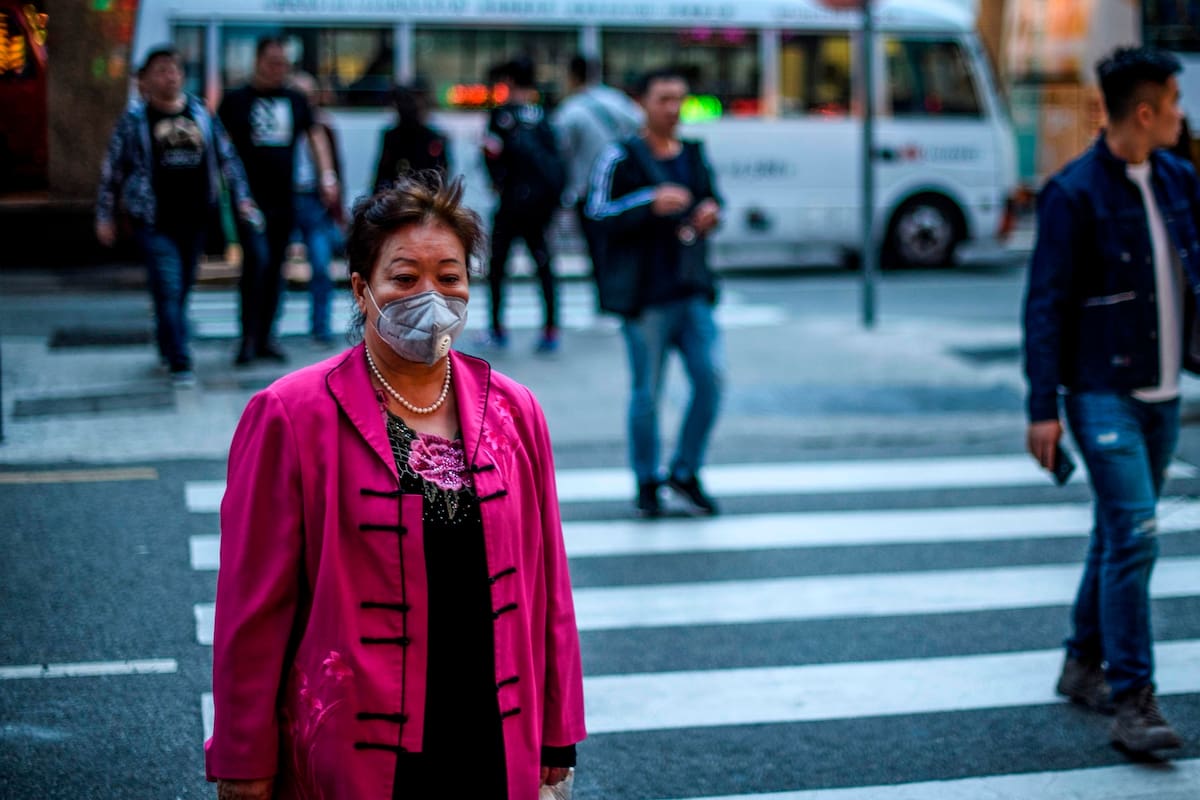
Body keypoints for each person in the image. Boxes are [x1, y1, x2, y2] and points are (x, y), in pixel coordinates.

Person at [205, 173, 586, 800]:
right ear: (362, 290)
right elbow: (254, 607)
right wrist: (244, 758)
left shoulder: (514, 411)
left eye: (450, 276)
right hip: (355, 747)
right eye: (405, 278)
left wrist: (557, 730)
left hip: (492, 735)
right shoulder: (291, 415)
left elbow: (548, 586)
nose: (431, 296)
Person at [1024, 46, 1200, 754]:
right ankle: (1133, 700)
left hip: (1164, 394)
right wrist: (1042, 408)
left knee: (1117, 532)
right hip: (1102, 393)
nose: (1184, 115)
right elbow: (1045, 306)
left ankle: (1080, 662)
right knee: (1136, 536)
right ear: (1147, 112)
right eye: (1176, 103)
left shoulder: (1180, 180)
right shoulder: (1073, 193)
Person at [585, 67, 723, 518]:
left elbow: (712, 199)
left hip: (692, 287)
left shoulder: (694, 153)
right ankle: (647, 480)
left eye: (680, 98)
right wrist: (649, 203)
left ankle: (685, 471)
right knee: (647, 393)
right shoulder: (621, 156)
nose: (673, 108)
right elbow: (595, 213)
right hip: (646, 296)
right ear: (642, 103)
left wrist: (710, 213)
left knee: (711, 381)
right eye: (664, 98)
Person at [96, 45, 259, 387]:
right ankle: (180, 359)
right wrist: (105, 215)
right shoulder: (135, 121)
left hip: (196, 218)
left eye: (174, 69)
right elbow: (113, 170)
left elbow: (228, 160)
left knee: (180, 288)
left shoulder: (201, 114)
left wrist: (242, 200)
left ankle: (167, 341)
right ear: (145, 80)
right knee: (169, 285)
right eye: (161, 70)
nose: (169, 76)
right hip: (154, 220)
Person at [218, 36, 338, 366]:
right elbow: (221, 145)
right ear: (258, 61)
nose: (278, 70)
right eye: (272, 63)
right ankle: (248, 336)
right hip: (249, 200)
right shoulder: (236, 100)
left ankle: (267, 336)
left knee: (275, 268)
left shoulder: (295, 99)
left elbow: (315, 135)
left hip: (285, 199)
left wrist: (327, 176)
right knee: (256, 261)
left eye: (283, 64)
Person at [481, 57, 566, 353]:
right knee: (543, 264)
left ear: (509, 82)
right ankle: (551, 328)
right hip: (539, 206)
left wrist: (498, 182)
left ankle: (497, 328)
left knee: (498, 266)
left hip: (510, 203)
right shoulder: (543, 116)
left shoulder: (502, 116)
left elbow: (491, 155)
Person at [551, 54, 643, 270]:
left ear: (572, 76)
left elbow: (559, 151)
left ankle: (605, 287)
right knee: (623, 249)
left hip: (588, 191)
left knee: (597, 251)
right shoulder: (619, 100)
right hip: (624, 188)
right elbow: (641, 130)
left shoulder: (571, 110)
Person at [289, 71, 344, 345]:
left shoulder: (323, 126)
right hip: (285, 198)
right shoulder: (281, 125)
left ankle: (321, 325)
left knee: (321, 265)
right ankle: (264, 330)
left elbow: (335, 168)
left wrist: (335, 204)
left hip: (313, 198)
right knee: (268, 264)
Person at [373, 83, 449, 192]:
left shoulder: (433, 138)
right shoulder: (393, 137)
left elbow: (440, 174)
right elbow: (383, 173)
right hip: (403, 194)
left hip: (420, 194)